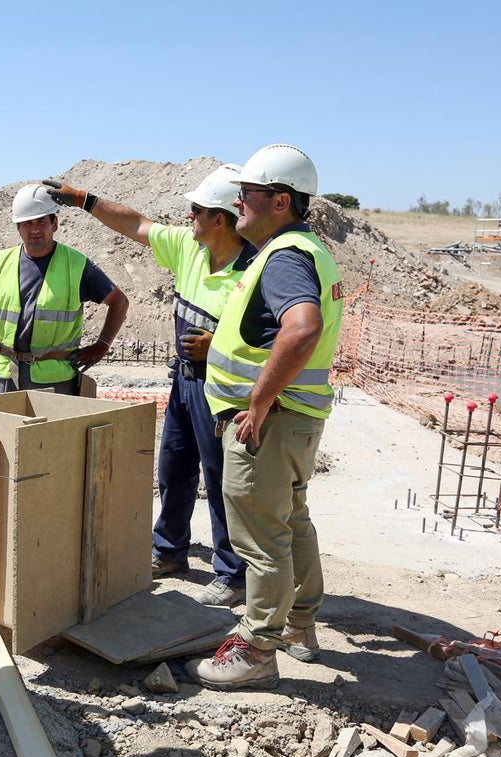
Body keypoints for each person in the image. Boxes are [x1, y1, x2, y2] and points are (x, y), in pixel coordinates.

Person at [42, 167, 252, 606]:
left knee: (220, 479)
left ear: (219, 218)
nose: (187, 216)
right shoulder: (189, 248)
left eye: (195, 210)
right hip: (185, 382)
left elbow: (272, 335)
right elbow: (135, 224)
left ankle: (233, 573)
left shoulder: (255, 268)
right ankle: (170, 551)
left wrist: (218, 347)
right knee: (173, 470)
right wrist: (85, 199)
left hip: (226, 390)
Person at [186, 144, 344, 691]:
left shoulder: (285, 257)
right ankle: (299, 626)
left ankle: (256, 647)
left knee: (259, 538)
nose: (237, 203)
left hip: (270, 423)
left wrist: (256, 401)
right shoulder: (305, 249)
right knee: (289, 522)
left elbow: (302, 328)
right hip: (295, 419)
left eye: (247, 195)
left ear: (280, 201)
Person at [0, 183, 129, 396]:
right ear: (18, 228)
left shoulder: (77, 265)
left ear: (55, 224)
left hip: (55, 380)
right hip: (6, 375)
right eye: (27, 223)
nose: (34, 229)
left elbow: (119, 302)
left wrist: (102, 345)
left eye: (41, 221)